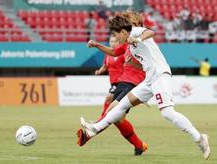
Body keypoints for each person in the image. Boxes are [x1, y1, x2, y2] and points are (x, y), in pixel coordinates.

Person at [79, 15, 211, 159]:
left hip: (160, 76)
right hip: (149, 79)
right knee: (121, 105)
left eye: (117, 35)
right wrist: (131, 60)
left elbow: (151, 32)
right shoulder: (129, 44)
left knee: (167, 112)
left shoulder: (135, 32)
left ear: (123, 31)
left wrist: (138, 39)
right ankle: (94, 129)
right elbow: (141, 60)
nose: (117, 39)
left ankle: (199, 138)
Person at [77, 11, 148, 156]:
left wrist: (135, 63)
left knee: (112, 109)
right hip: (124, 82)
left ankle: (90, 132)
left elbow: (149, 65)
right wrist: (97, 44)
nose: (128, 28)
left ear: (138, 25)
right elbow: (114, 52)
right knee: (118, 119)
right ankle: (139, 145)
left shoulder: (142, 42)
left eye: (132, 24)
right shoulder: (128, 44)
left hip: (134, 84)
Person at [94, 35, 125, 119]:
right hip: (113, 82)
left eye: (115, 41)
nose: (112, 43)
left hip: (122, 81)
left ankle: (102, 118)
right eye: (111, 41)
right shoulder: (108, 55)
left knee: (109, 98)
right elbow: (105, 66)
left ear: (119, 42)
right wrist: (99, 71)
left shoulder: (123, 54)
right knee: (119, 103)